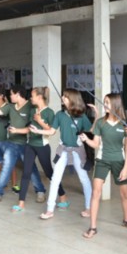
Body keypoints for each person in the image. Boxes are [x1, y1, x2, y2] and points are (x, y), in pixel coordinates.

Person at [30, 88, 93, 220]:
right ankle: (49, 210)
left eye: (66, 96)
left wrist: (97, 116)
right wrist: (37, 131)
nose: (63, 98)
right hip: (63, 150)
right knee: (55, 178)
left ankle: (88, 207)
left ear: (73, 99)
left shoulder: (81, 115)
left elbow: (91, 130)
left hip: (77, 151)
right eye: (63, 96)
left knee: (84, 179)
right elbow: (52, 131)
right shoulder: (60, 114)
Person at [81, 93, 127, 239]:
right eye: (104, 102)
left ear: (116, 105)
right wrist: (86, 139)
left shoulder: (125, 124)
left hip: (120, 161)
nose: (104, 105)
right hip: (102, 160)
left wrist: (125, 168)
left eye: (107, 102)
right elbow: (96, 144)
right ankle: (92, 227)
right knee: (96, 193)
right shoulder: (100, 123)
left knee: (125, 194)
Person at [0, 85, 46, 204]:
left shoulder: (31, 108)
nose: (9, 96)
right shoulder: (10, 107)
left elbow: (30, 128)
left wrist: (17, 130)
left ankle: (40, 191)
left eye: (11, 94)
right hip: (11, 143)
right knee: (6, 167)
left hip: (26, 144)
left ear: (17, 94)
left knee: (31, 168)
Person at [13, 87, 68, 212]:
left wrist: (40, 121)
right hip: (30, 145)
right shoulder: (33, 110)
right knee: (26, 173)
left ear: (39, 97)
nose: (30, 98)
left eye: (32, 96)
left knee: (49, 173)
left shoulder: (49, 112)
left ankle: (63, 196)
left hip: (42, 146)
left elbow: (50, 131)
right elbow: (29, 129)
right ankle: (21, 203)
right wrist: (16, 130)